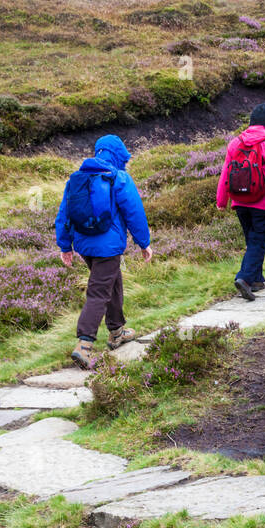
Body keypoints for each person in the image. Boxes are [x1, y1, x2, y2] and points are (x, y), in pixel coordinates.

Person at [56, 134, 153, 369]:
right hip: (108, 247)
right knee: (99, 291)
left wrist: (65, 245)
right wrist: (144, 242)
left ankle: (117, 331)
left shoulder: (77, 178)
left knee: (112, 282)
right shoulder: (119, 177)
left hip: (84, 246)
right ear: (118, 154)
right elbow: (134, 212)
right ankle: (84, 344)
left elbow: (63, 213)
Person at [216, 103, 265, 302]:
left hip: (239, 201)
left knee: (252, 240)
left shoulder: (235, 143)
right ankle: (245, 278)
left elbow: (226, 172)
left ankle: (258, 280)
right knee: (259, 241)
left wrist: (221, 200)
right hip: (262, 202)